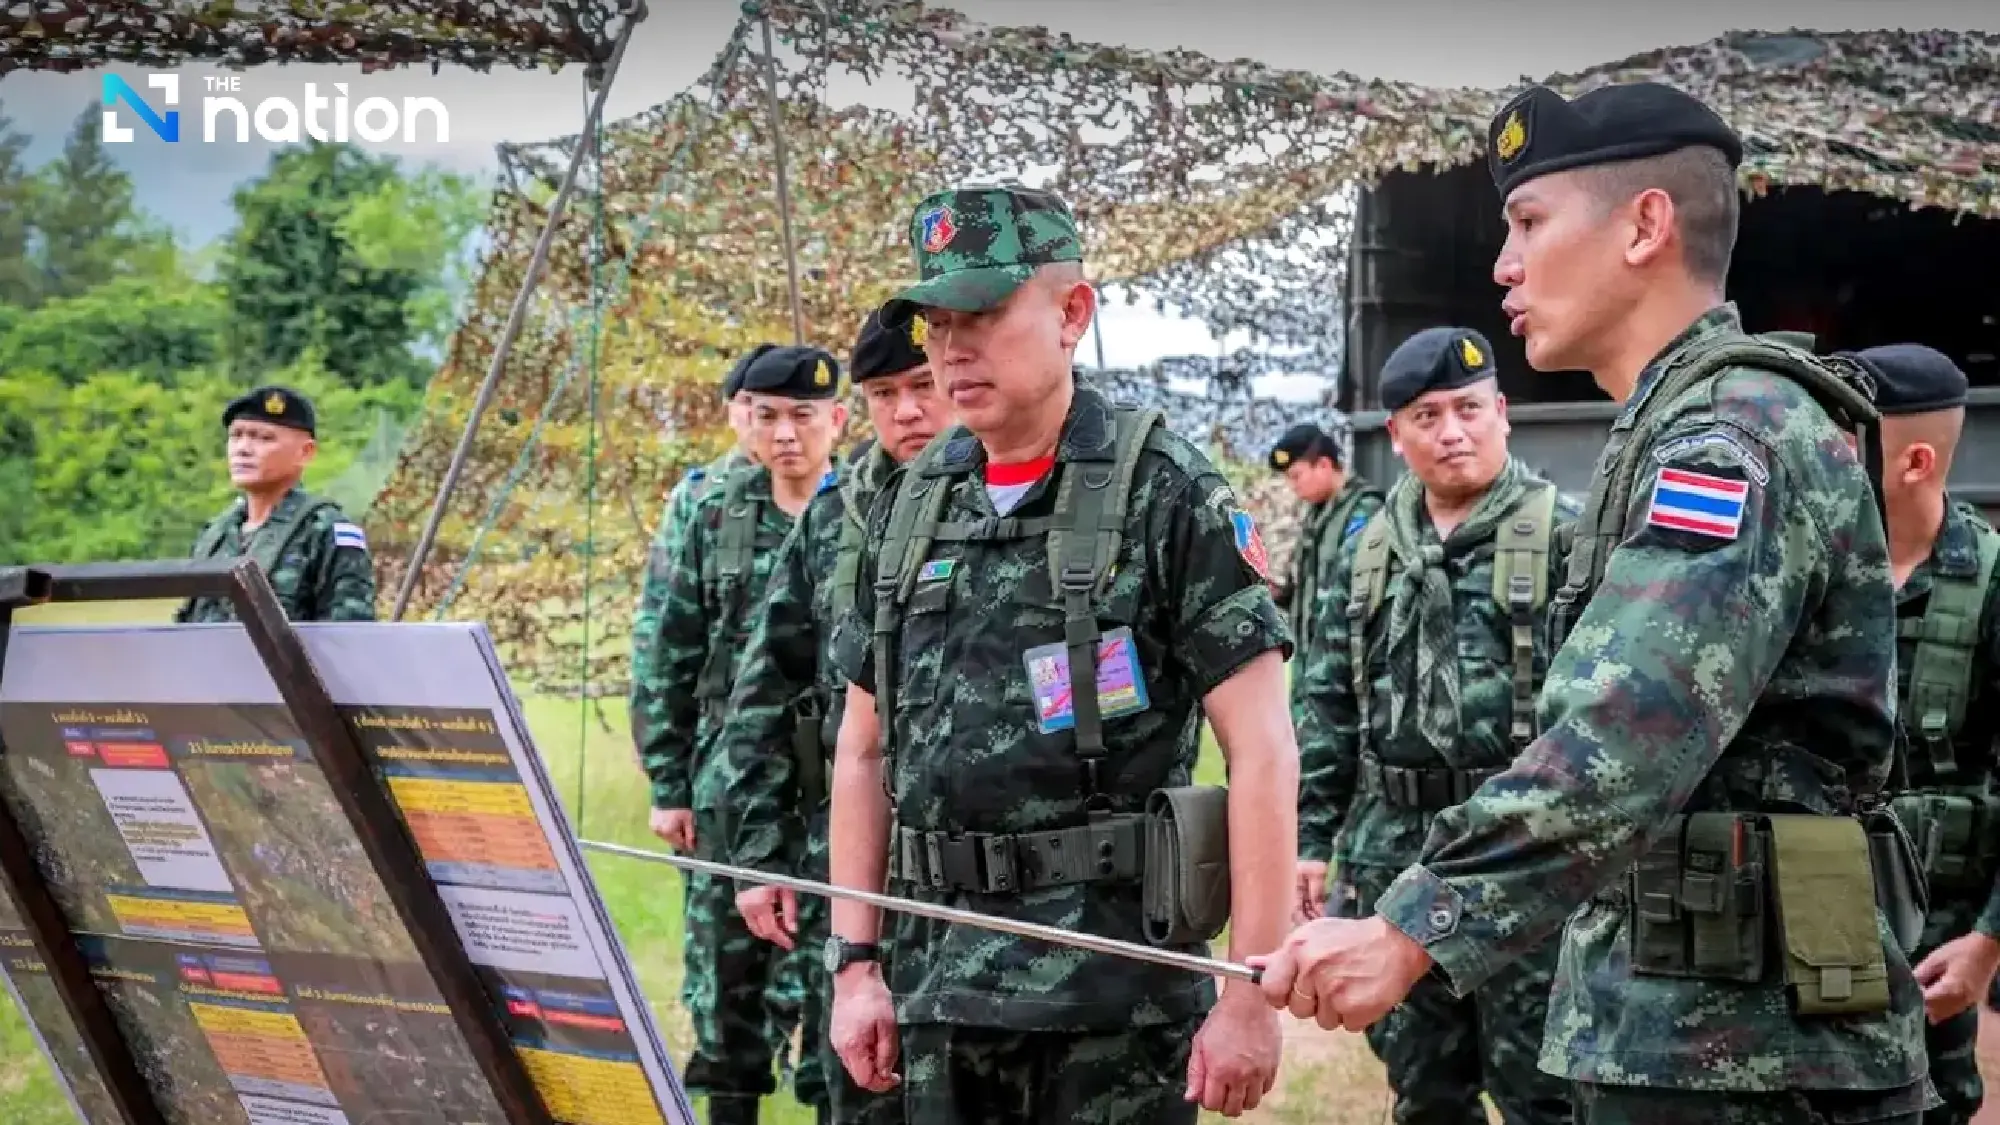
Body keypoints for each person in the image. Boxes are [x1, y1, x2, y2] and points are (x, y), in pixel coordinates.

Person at [1252, 81, 1933, 1124]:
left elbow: (1630, 723)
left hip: (1748, 1051)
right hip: (1692, 1025)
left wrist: (1408, 929)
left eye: (1527, 222)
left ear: (1643, 225)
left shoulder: (1728, 437)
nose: (1502, 265)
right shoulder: (1675, 427)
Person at [822, 184, 1296, 1123]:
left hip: (1110, 1009)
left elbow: (1264, 750)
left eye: (987, 313)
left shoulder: (1165, 494)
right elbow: (862, 747)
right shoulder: (913, 503)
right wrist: (856, 963)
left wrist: (1251, 991)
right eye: (937, 323)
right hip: (935, 996)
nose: (954, 348)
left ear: (1073, 311)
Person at [1294, 326, 1575, 1123]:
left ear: (1503, 413)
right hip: (1396, 854)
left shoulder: (1568, 535)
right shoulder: (1365, 548)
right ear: (1395, 433)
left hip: (1521, 856)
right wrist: (1314, 839)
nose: (1452, 431)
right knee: (1424, 1091)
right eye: (1427, 415)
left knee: (1545, 1096)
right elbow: (1328, 699)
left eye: (1468, 408)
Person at [718, 308, 950, 1125]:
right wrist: (756, 852)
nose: (908, 412)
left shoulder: (1025, 499)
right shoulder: (838, 513)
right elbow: (766, 686)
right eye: (885, 394)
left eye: (924, 386)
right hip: (847, 858)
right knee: (858, 1087)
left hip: (984, 875)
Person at [634, 343, 847, 1125]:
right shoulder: (708, 506)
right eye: (768, 416)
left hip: (835, 785)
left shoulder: (866, 505)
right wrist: (668, 782)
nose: (786, 433)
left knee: (839, 972)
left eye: (803, 415)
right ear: (742, 419)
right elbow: (666, 645)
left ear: (837, 420)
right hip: (727, 782)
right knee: (727, 981)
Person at [1844, 344, 2000, 1125]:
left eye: (1844, 441)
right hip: (1809, 923)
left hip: (1936, 944)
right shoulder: (1803, 575)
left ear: (1912, 461)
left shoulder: (1993, 583)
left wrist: (1988, 944)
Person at [176, 385, 376, 623]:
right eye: (236, 435)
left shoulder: (324, 531)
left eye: (263, 438)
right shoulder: (214, 535)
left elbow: (348, 639)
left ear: (305, 452)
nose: (243, 449)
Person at [1266, 422, 1382, 648]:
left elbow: (1356, 597)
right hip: (1313, 666)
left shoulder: (1364, 511)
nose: (1292, 486)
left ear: (1323, 465)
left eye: (1296, 476)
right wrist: (1279, 594)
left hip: (1342, 666)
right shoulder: (1317, 517)